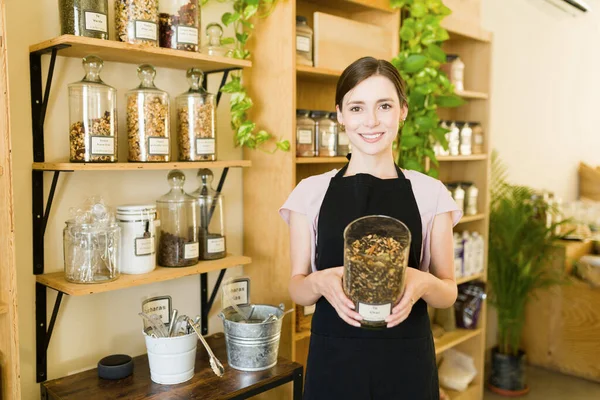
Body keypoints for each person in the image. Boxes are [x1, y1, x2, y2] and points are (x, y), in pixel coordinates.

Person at [279, 57, 462, 400]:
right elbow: (297, 288)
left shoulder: (430, 193)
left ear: (403, 111)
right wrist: (318, 282)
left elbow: (448, 292)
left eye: (385, 106)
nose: (372, 121)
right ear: (340, 115)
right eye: (357, 107)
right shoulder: (310, 193)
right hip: (334, 363)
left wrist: (422, 281)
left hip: (406, 363)